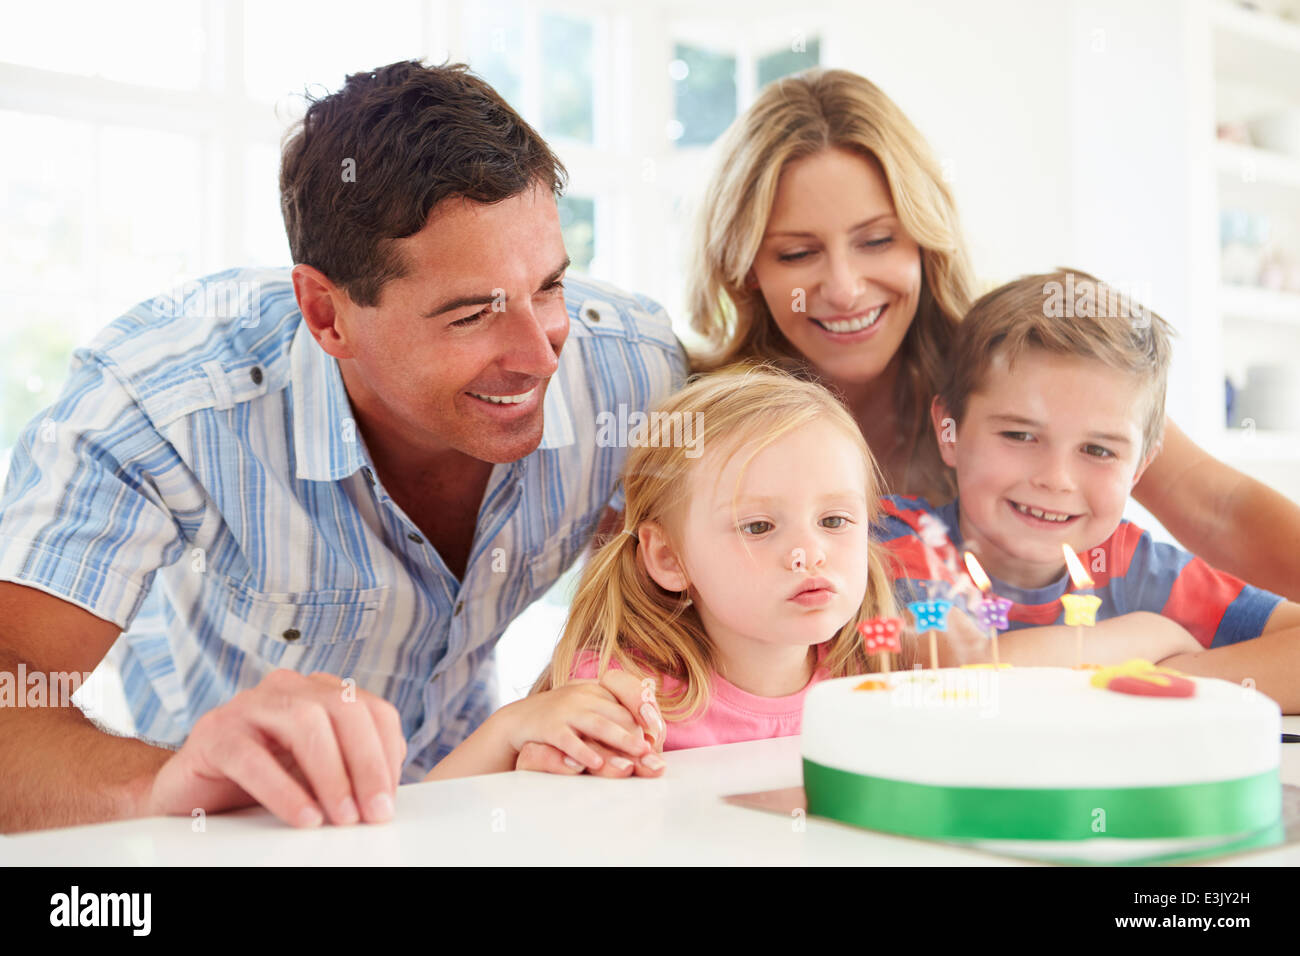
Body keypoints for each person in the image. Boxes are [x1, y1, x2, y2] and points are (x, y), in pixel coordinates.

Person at [0, 60, 685, 833]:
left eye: (552, 288)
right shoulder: (161, 406)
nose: (540, 354)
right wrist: (163, 787)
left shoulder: (634, 373)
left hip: (464, 810)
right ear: (326, 315)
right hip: (230, 829)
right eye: (470, 316)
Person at [683, 67, 1300, 603]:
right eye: (797, 253)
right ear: (744, 269)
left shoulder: (1013, 368)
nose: (844, 288)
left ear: (926, 241)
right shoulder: (706, 417)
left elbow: (1217, 508)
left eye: (878, 241)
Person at [432, 366, 901, 779]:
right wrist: (511, 728)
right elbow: (430, 824)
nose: (809, 553)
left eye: (834, 521)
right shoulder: (624, 696)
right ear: (668, 558)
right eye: (758, 527)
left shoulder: (871, 671)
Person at [876, 269, 1300, 709]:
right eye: (1019, 435)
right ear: (949, 432)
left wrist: (1156, 677)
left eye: (1097, 450)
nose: (1055, 478)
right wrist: (1145, 637)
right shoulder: (893, 547)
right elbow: (956, 674)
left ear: (1139, 468)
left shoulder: (1140, 571)